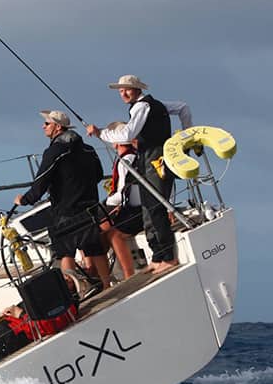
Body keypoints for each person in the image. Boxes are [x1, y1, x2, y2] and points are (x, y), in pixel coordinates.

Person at [86, 75, 193, 274]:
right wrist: (187, 133)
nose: (123, 94)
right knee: (147, 208)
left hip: (154, 159)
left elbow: (128, 134)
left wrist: (101, 133)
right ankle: (158, 257)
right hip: (150, 158)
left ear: (137, 89)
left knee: (155, 207)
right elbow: (183, 107)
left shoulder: (141, 107)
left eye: (127, 89)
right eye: (120, 91)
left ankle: (169, 257)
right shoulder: (156, 105)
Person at [14, 110, 111, 290]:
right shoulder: (88, 150)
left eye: (47, 124)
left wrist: (25, 199)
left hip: (66, 209)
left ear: (58, 127)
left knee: (66, 252)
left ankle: (75, 292)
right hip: (89, 206)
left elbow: (41, 181)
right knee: (94, 247)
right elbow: (98, 174)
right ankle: (107, 285)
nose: (43, 126)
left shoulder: (55, 151)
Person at [99, 122, 144, 279]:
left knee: (112, 234)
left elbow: (124, 191)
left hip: (136, 209)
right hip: (133, 205)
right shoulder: (132, 157)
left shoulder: (126, 161)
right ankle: (103, 273)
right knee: (99, 229)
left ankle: (127, 274)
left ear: (117, 142)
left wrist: (107, 202)